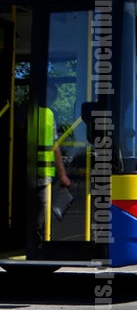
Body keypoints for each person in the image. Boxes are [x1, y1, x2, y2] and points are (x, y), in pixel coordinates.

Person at [37, 84, 71, 246]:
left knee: (44, 207)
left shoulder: (50, 114)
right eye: (49, 95)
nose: (51, 99)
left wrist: (62, 174)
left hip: (45, 173)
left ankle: (39, 238)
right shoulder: (28, 111)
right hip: (29, 171)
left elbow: (54, 145)